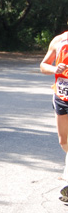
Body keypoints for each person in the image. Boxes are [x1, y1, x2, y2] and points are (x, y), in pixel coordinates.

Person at [40, 32, 68, 202]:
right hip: (61, 95)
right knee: (63, 141)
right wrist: (54, 69)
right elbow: (43, 65)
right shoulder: (58, 40)